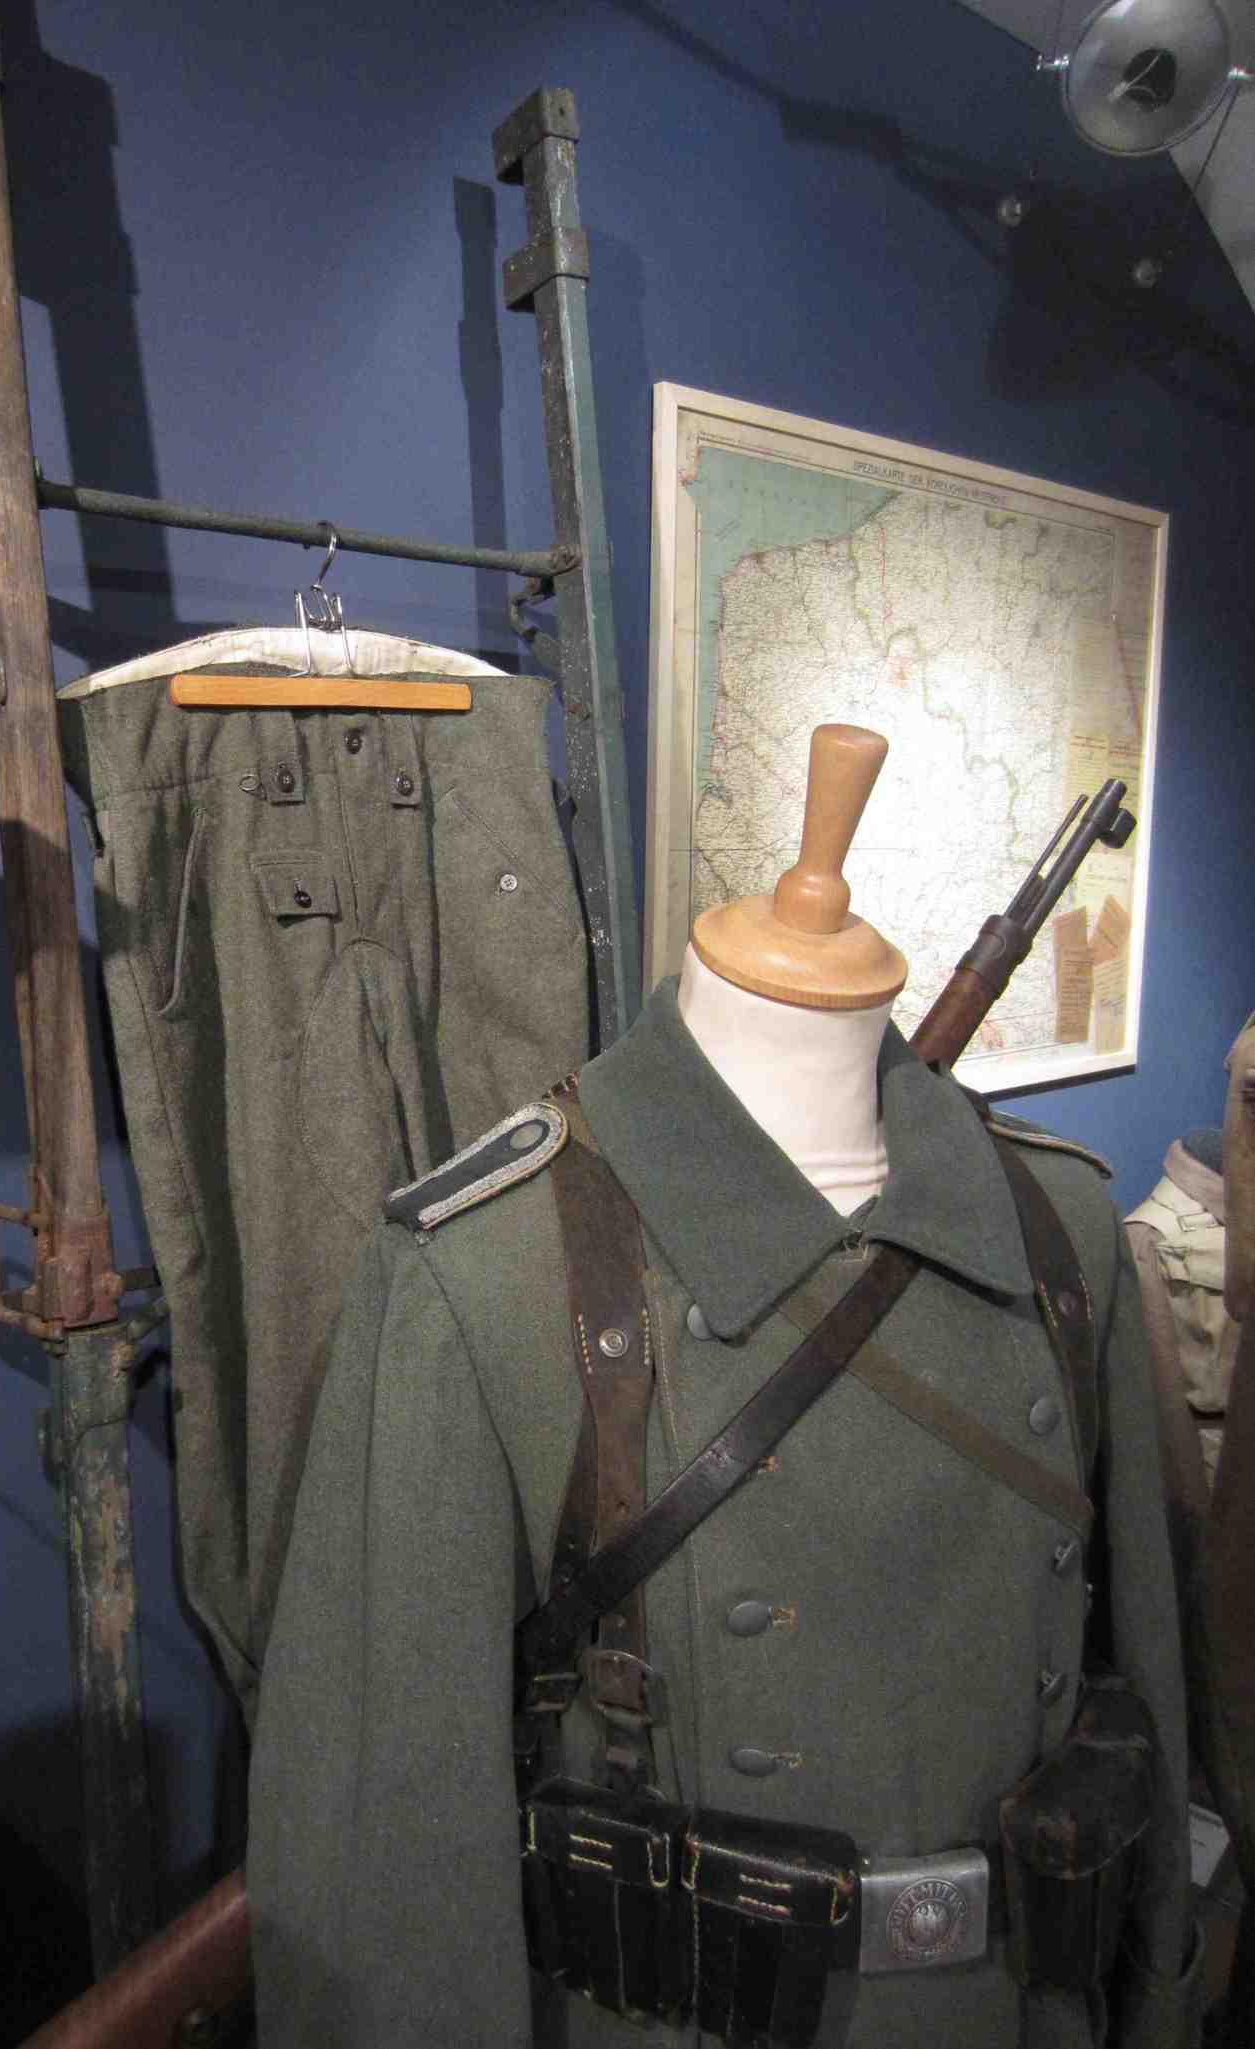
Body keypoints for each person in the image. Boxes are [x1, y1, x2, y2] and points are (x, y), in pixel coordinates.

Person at [249, 726, 1196, 2047]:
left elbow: (1139, 1685)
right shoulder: (482, 1272)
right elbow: (392, 1843)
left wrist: (1161, 1997)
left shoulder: (1061, 1229)